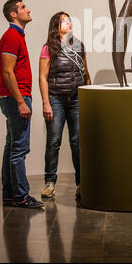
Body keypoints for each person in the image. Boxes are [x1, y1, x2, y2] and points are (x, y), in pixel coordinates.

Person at [0, 0, 44, 209]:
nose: (29, 9)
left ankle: (10, 194)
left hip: (15, 97)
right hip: (17, 98)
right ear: (13, 14)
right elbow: (8, 72)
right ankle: (21, 196)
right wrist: (20, 101)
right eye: (24, 7)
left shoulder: (17, 36)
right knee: (19, 149)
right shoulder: (11, 37)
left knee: (11, 147)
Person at [39, 12, 91, 200]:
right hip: (56, 100)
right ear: (56, 25)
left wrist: (88, 96)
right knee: (53, 142)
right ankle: (50, 183)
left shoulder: (79, 45)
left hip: (76, 99)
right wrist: (46, 103)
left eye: (69, 20)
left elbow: (85, 73)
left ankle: (81, 184)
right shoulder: (48, 48)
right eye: (63, 21)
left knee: (78, 143)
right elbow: (42, 78)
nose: (68, 23)